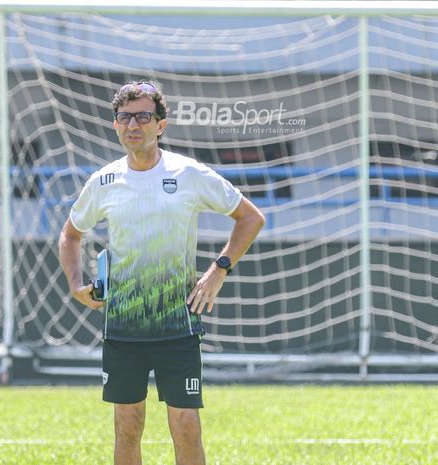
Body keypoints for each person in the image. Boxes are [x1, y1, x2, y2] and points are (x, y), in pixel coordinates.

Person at [59, 80, 265, 465]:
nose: (132, 125)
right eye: (124, 117)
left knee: (186, 424)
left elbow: (250, 218)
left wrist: (218, 270)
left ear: (161, 125)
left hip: (177, 324)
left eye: (142, 116)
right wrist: (75, 284)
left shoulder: (189, 174)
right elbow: (70, 236)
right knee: (128, 423)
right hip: (123, 325)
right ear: (115, 124)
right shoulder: (103, 182)